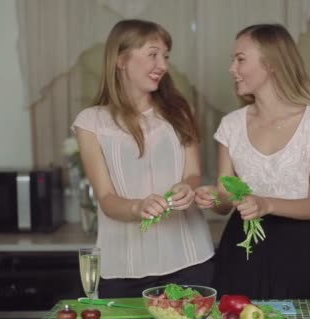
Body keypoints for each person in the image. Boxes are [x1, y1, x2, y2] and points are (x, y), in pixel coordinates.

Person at [195, 24, 310, 299]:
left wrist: (266, 204)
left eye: (240, 59)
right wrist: (213, 197)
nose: (232, 69)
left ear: (272, 64)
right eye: (232, 60)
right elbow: (226, 201)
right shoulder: (231, 125)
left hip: (299, 252)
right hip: (241, 249)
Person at [72, 19, 214, 298]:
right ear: (121, 59)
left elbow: (193, 173)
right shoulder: (90, 123)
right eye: (153, 54)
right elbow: (107, 198)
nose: (162, 64)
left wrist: (187, 186)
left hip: (191, 262)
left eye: (165, 56)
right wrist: (139, 207)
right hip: (122, 271)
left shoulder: (180, 110)